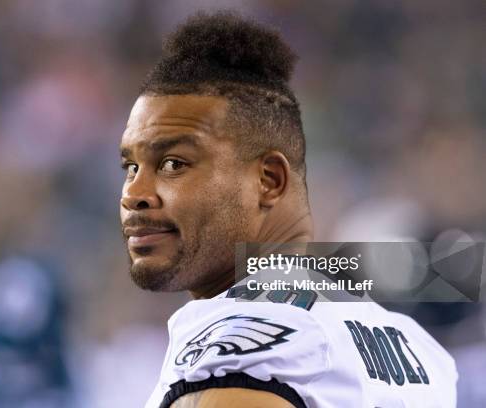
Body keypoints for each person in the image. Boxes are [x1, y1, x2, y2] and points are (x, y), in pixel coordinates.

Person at [119, 11, 457, 408]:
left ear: (269, 180)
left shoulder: (242, 353)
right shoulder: (413, 344)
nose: (134, 194)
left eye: (174, 163)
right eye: (130, 167)